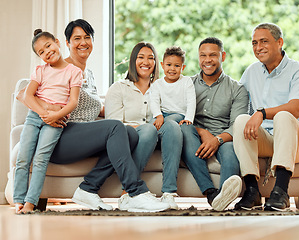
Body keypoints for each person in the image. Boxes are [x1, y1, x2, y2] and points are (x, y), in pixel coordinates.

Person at [18, 19, 170, 213]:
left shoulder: (88, 74)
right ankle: (135, 193)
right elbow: (23, 94)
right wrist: (48, 112)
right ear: (66, 43)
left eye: (87, 37)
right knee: (115, 127)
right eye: (77, 38)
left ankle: (88, 189)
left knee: (130, 134)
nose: (83, 42)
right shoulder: (58, 68)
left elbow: (96, 109)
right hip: (60, 137)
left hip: (82, 137)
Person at [233, 23, 299, 211]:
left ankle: (281, 191)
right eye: (254, 43)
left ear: (279, 42)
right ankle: (252, 191)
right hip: (267, 138)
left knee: (284, 116)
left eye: (264, 41)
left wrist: (262, 113)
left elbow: (295, 109)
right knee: (240, 121)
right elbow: (237, 103)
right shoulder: (251, 72)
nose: (258, 47)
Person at [105, 42, 183, 209]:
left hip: (157, 139)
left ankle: (168, 194)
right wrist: (143, 129)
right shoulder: (119, 88)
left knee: (172, 126)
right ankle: (127, 193)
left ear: (156, 64)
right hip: (130, 139)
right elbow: (113, 126)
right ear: (133, 60)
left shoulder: (161, 88)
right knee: (148, 129)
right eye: (141, 57)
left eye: (151, 58)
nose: (146, 62)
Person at [13, 29, 82, 214]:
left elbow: (73, 102)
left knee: (41, 159)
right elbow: (28, 95)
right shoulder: (40, 71)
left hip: (57, 120)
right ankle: (18, 200)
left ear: (58, 42)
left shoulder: (74, 71)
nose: (47, 52)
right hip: (35, 117)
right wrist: (45, 114)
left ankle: (30, 203)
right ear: (40, 57)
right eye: (41, 52)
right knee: (22, 158)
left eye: (48, 46)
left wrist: (54, 116)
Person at [180, 37, 249, 211]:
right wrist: (202, 132)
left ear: (223, 56)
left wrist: (217, 140)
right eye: (203, 55)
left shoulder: (237, 89)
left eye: (213, 55)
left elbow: (237, 124)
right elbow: (179, 116)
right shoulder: (186, 85)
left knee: (231, 154)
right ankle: (212, 194)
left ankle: (223, 198)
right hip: (194, 135)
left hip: (224, 137)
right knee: (185, 129)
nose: (207, 60)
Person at [150, 46, 196, 129]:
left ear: (183, 68)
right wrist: (158, 115)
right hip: (162, 113)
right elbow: (154, 101)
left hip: (179, 115)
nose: (172, 69)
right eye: (169, 65)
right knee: (151, 124)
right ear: (162, 65)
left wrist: (188, 119)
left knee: (169, 121)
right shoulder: (158, 84)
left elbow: (191, 102)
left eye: (177, 66)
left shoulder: (186, 81)